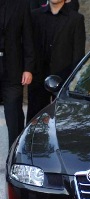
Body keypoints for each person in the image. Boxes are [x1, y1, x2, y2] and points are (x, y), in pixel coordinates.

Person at [27, 0, 85, 122]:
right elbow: (29, 46)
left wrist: (73, 79)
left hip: (63, 78)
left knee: (62, 121)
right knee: (35, 122)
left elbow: (78, 52)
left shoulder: (76, 19)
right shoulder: (34, 16)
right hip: (38, 77)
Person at [0, 0, 35, 148]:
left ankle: (14, 157)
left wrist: (28, 68)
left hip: (13, 69)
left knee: (14, 117)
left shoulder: (21, 4)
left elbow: (28, 37)